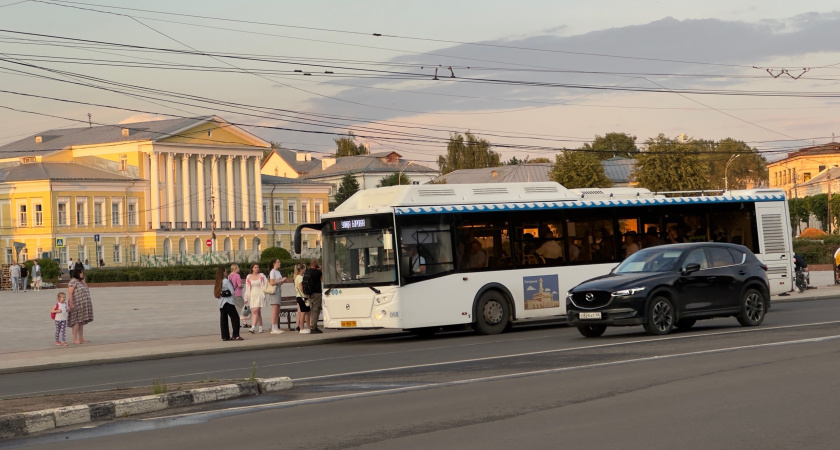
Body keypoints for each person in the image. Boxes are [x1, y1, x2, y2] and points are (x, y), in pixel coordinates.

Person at [215, 266, 243, 341]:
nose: (226, 272)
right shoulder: (225, 281)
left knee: (223, 319)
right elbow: (232, 292)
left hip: (221, 303)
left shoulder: (218, 281)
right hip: (228, 302)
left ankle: (225, 336)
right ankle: (236, 335)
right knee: (235, 318)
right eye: (225, 271)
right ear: (223, 272)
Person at [67, 266, 93, 345]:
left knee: (81, 322)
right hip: (76, 304)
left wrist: (83, 281)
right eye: (81, 273)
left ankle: (81, 338)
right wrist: (71, 304)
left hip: (83, 305)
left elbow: (87, 288)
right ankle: (74, 339)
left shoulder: (80, 281)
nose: (82, 274)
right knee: (76, 322)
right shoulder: (73, 282)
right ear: (77, 273)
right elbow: (70, 293)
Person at [243, 262, 268, 334]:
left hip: (260, 294)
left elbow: (266, 283)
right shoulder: (249, 276)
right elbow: (247, 288)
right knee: (258, 312)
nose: (257, 268)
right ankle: (260, 327)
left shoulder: (261, 275)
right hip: (253, 295)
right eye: (255, 267)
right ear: (252, 268)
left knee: (255, 311)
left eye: (258, 267)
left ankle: (253, 327)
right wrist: (246, 298)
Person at [268, 258, 289, 335]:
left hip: (278, 289)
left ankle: (276, 326)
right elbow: (272, 282)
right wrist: (281, 280)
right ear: (274, 264)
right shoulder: (272, 272)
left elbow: (278, 283)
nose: (279, 263)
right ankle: (273, 327)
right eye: (278, 262)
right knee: (274, 310)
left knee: (277, 310)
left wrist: (282, 281)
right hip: (274, 291)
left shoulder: (278, 272)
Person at [305, 258, 323, 334]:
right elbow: (322, 279)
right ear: (316, 264)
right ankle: (313, 327)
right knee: (316, 310)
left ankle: (312, 325)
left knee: (312, 310)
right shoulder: (317, 272)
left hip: (309, 293)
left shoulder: (307, 271)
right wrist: (321, 269)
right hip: (317, 293)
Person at [228, 264, 248, 328]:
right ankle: (245, 323)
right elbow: (239, 285)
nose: (239, 269)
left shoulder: (229, 276)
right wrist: (243, 285)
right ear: (235, 268)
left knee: (235, 309)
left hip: (232, 294)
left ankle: (237, 323)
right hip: (237, 294)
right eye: (238, 267)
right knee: (242, 308)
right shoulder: (237, 275)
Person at [294, 263, 311, 333]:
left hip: (300, 296)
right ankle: (302, 328)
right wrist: (307, 293)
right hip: (302, 297)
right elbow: (301, 287)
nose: (305, 270)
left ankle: (308, 327)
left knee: (307, 312)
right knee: (303, 312)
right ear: (301, 269)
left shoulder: (297, 277)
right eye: (304, 268)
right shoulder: (300, 277)